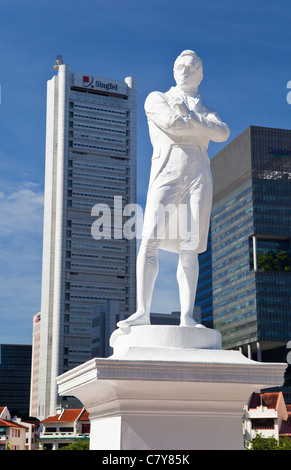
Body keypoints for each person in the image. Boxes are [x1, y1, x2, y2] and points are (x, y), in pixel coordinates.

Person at [117, 50, 230, 332]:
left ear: (200, 75)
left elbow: (222, 133)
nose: (184, 71)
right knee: (150, 239)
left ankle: (187, 316)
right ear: (173, 70)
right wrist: (199, 126)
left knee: (190, 247)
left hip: (199, 175)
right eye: (180, 66)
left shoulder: (204, 109)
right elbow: (172, 124)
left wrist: (190, 116)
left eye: (191, 68)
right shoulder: (157, 98)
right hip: (167, 171)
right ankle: (142, 311)